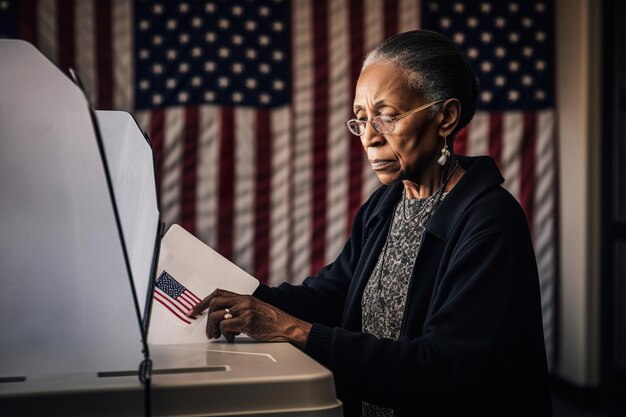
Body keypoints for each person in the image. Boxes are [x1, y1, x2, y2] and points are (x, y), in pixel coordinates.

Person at [188, 30, 552, 417]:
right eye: (361, 120)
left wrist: (292, 330)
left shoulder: (490, 221)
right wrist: (249, 298)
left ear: (444, 117)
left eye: (387, 118)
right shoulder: (387, 203)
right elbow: (333, 296)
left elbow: (444, 369)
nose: (368, 138)